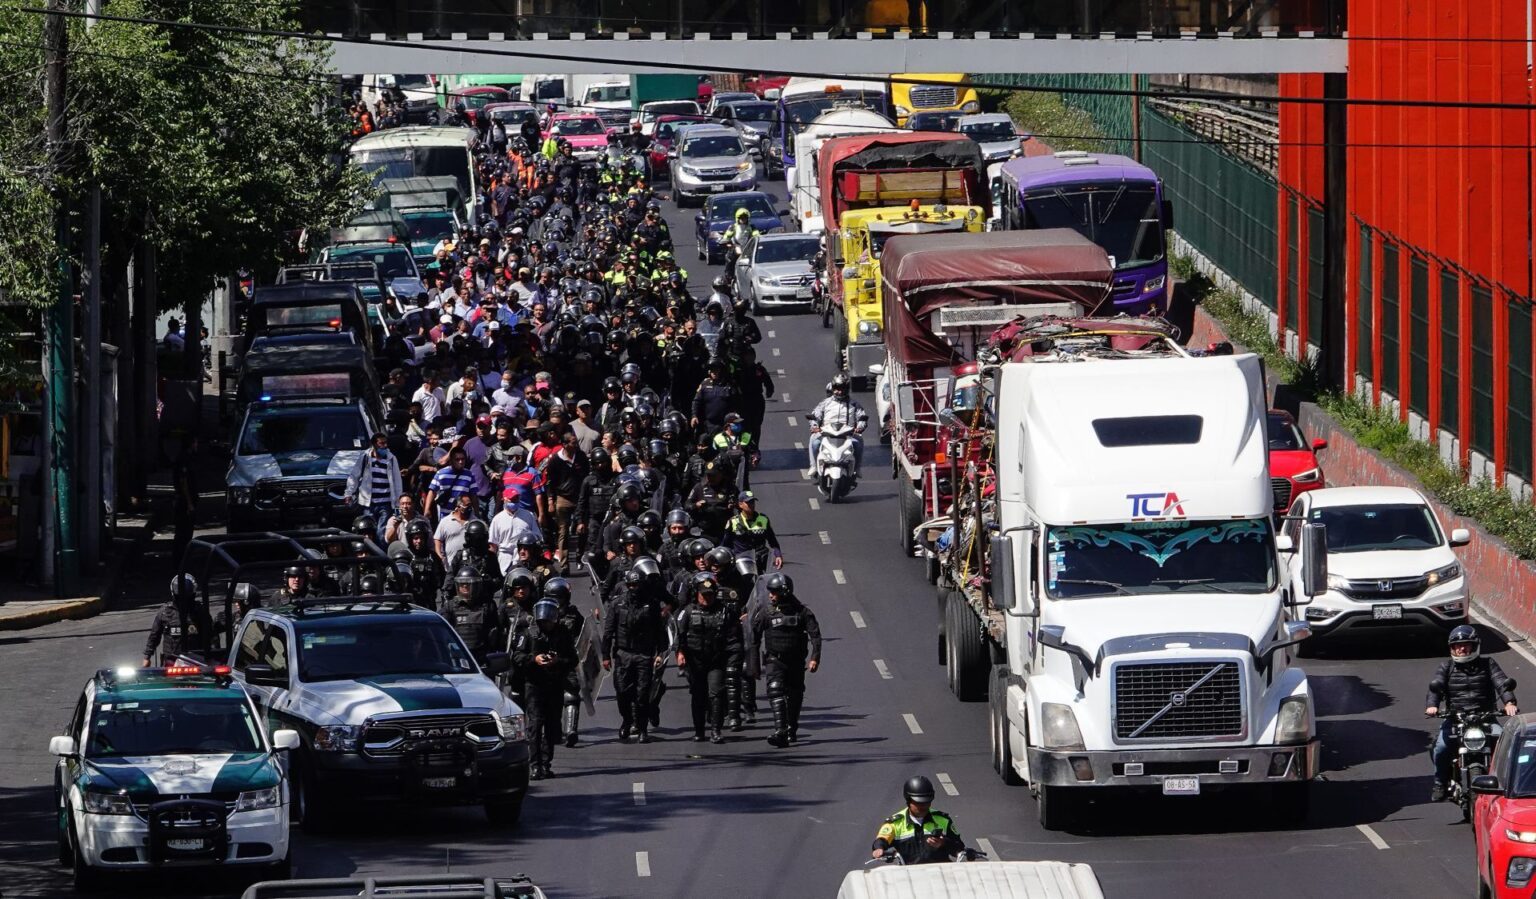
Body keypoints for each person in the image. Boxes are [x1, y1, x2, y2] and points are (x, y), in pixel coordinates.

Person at [1426, 625, 1518, 801]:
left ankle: (1507, 782)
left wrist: (1509, 702)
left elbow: (1501, 683)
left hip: (1486, 717)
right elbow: (1435, 688)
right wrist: (1432, 706)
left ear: (1475, 645)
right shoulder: (1446, 667)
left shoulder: (1488, 663)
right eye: (1457, 645)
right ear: (1452, 648)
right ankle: (1440, 782)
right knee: (1441, 748)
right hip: (1455, 719)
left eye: (1466, 644)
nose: (1462, 648)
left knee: (1504, 744)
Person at [749, 573, 821, 747]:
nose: (771, 596)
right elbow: (754, 638)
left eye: (774, 593)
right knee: (775, 691)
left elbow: (815, 636)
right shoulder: (766, 613)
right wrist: (754, 666)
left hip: (796, 662)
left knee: (794, 695)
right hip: (775, 660)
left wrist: (814, 658)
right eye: (770, 592)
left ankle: (791, 730)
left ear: (785, 592)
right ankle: (780, 731)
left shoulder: (803, 612)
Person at [601, 557, 668, 743]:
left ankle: (642, 727)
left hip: (644, 655)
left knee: (642, 694)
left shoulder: (652, 604)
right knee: (622, 692)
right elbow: (608, 632)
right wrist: (605, 656)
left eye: (636, 585)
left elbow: (659, 631)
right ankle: (627, 720)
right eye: (630, 585)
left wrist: (661, 654)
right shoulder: (617, 604)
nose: (633, 588)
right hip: (623, 654)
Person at [511, 598, 577, 780]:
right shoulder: (528, 633)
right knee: (535, 725)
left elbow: (573, 659)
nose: (546, 624)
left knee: (551, 725)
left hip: (554, 684)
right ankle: (534, 765)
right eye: (543, 622)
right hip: (534, 685)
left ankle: (546, 765)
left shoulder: (563, 634)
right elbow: (516, 656)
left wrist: (558, 661)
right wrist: (534, 659)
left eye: (549, 621)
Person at [673, 571, 743, 744]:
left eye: (710, 595)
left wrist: (734, 659)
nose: (707, 598)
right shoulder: (688, 612)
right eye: (704, 595)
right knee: (698, 696)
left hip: (716, 660)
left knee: (716, 694)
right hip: (695, 661)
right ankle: (699, 731)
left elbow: (735, 637)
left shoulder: (725, 612)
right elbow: (678, 635)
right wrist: (680, 653)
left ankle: (716, 731)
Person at [870, 776, 967, 865]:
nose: (923, 806)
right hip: (910, 877)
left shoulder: (943, 820)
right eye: (918, 803)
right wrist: (879, 849)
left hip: (941, 876)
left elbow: (959, 847)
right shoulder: (895, 823)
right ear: (908, 801)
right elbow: (881, 840)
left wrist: (944, 843)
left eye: (927, 802)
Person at [807, 371, 867, 478]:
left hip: (848, 434)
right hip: (826, 433)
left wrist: (860, 427)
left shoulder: (854, 404)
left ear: (846, 389)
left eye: (841, 388)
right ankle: (814, 466)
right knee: (814, 441)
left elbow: (862, 417)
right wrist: (815, 427)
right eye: (836, 388)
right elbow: (814, 416)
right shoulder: (825, 403)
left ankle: (857, 468)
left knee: (859, 443)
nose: (839, 391)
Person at [142, 575, 212, 666]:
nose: (184, 600)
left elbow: (210, 634)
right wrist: (147, 657)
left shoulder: (199, 611)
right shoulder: (165, 611)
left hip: (196, 660)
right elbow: (154, 635)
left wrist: (209, 657)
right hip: (172, 661)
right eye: (181, 597)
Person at [440, 565, 499, 664]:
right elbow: (443, 633)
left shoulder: (488, 605)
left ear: (477, 585)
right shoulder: (450, 606)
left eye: (468, 584)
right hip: (458, 657)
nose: (464, 587)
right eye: (462, 584)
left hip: (482, 658)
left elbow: (496, 633)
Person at [350, 432, 404, 529]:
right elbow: (354, 476)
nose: (385, 446)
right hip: (369, 504)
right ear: (374, 444)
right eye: (382, 443)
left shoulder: (391, 459)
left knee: (381, 531)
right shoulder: (365, 457)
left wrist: (397, 504)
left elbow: (397, 482)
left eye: (386, 443)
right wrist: (349, 493)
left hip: (385, 504)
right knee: (368, 529)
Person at [722, 491, 783, 570]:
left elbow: (772, 541)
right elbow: (726, 544)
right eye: (748, 503)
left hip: (760, 560)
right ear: (740, 504)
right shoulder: (733, 522)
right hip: (741, 562)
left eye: (752, 502)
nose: (751, 505)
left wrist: (778, 555)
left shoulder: (763, 519)